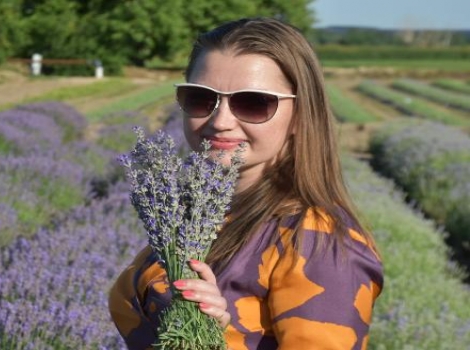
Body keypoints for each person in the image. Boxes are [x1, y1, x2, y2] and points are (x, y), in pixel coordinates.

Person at [109, 17, 383, 350]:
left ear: (301, 115)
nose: (220, 121)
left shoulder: (316, 241)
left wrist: (210, 340)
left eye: (253, 103)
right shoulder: (202, 218)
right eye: (200, 98)